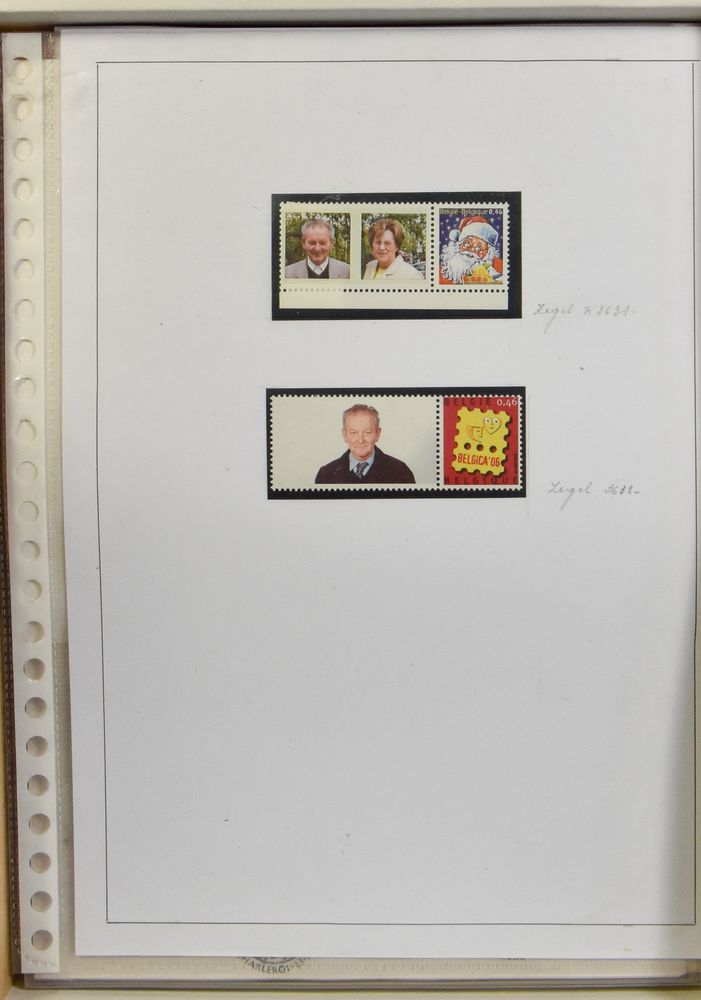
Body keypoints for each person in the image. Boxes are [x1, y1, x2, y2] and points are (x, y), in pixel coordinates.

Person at [315, 404, 415, 484]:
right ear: (345, 435)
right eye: (353, 432)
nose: (360, 440)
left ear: (377, 434)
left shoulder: (400, 472)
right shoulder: (325, 474)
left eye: (367, 432)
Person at [440, 215, 503, 284]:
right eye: (467, 244)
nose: (472, 250)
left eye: (479, 247)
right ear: (459, 245)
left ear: (488, 252)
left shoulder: (499, 267)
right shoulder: (439, 271)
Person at [285, 217, 350, 278]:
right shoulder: (287, 273)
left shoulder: (347, 271)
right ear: (303, 243)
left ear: (331, 243)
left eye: (322, 243)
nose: (317, 248)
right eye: (312, 243)